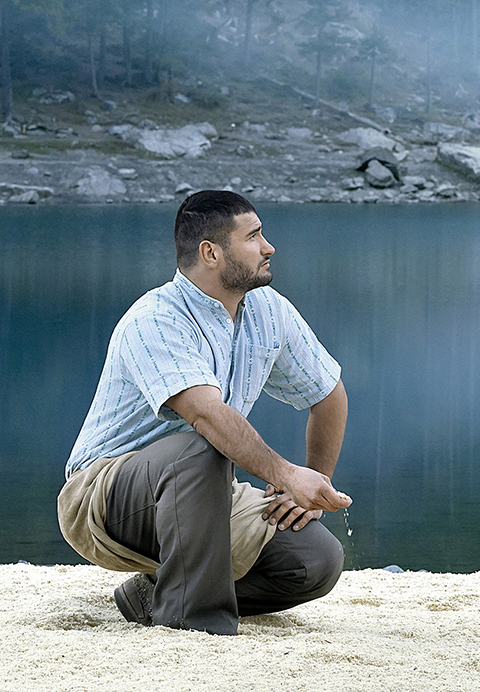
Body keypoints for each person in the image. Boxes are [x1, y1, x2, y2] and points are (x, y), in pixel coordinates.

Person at [57, 190, 352, 635]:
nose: (268, 246)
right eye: (253, 236)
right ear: (210, 252)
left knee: (315, 560)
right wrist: (288, 475)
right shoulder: (155, 318)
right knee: (204, 444)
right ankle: (196, 627)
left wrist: (309, 488)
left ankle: (152, 597)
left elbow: (328, 395)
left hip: (201, 486)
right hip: (102, 497)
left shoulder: (269, 311)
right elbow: (207, 417)